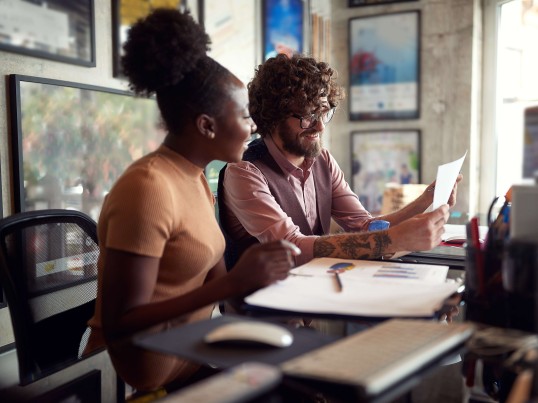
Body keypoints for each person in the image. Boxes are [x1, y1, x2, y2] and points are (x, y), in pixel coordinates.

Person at [83, 9, 300, 393]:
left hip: (192, 360)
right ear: (206, 125)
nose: (253, 128)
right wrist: (235, 281)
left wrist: (274, 280)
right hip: (135, 384)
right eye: (245, 117)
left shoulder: (198, 177)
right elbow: (121, 322)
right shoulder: (148, 187)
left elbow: (219, 281)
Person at [218, 53, 461, 270]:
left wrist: (426, 199)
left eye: (324, 112)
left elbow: (365, 227)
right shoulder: (243, 171)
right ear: (272, 115)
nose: (320, 125)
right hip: (257, 308)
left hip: (312, 298)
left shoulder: (322, 159)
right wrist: (392, 239)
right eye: (308, 115)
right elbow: (291, 246)